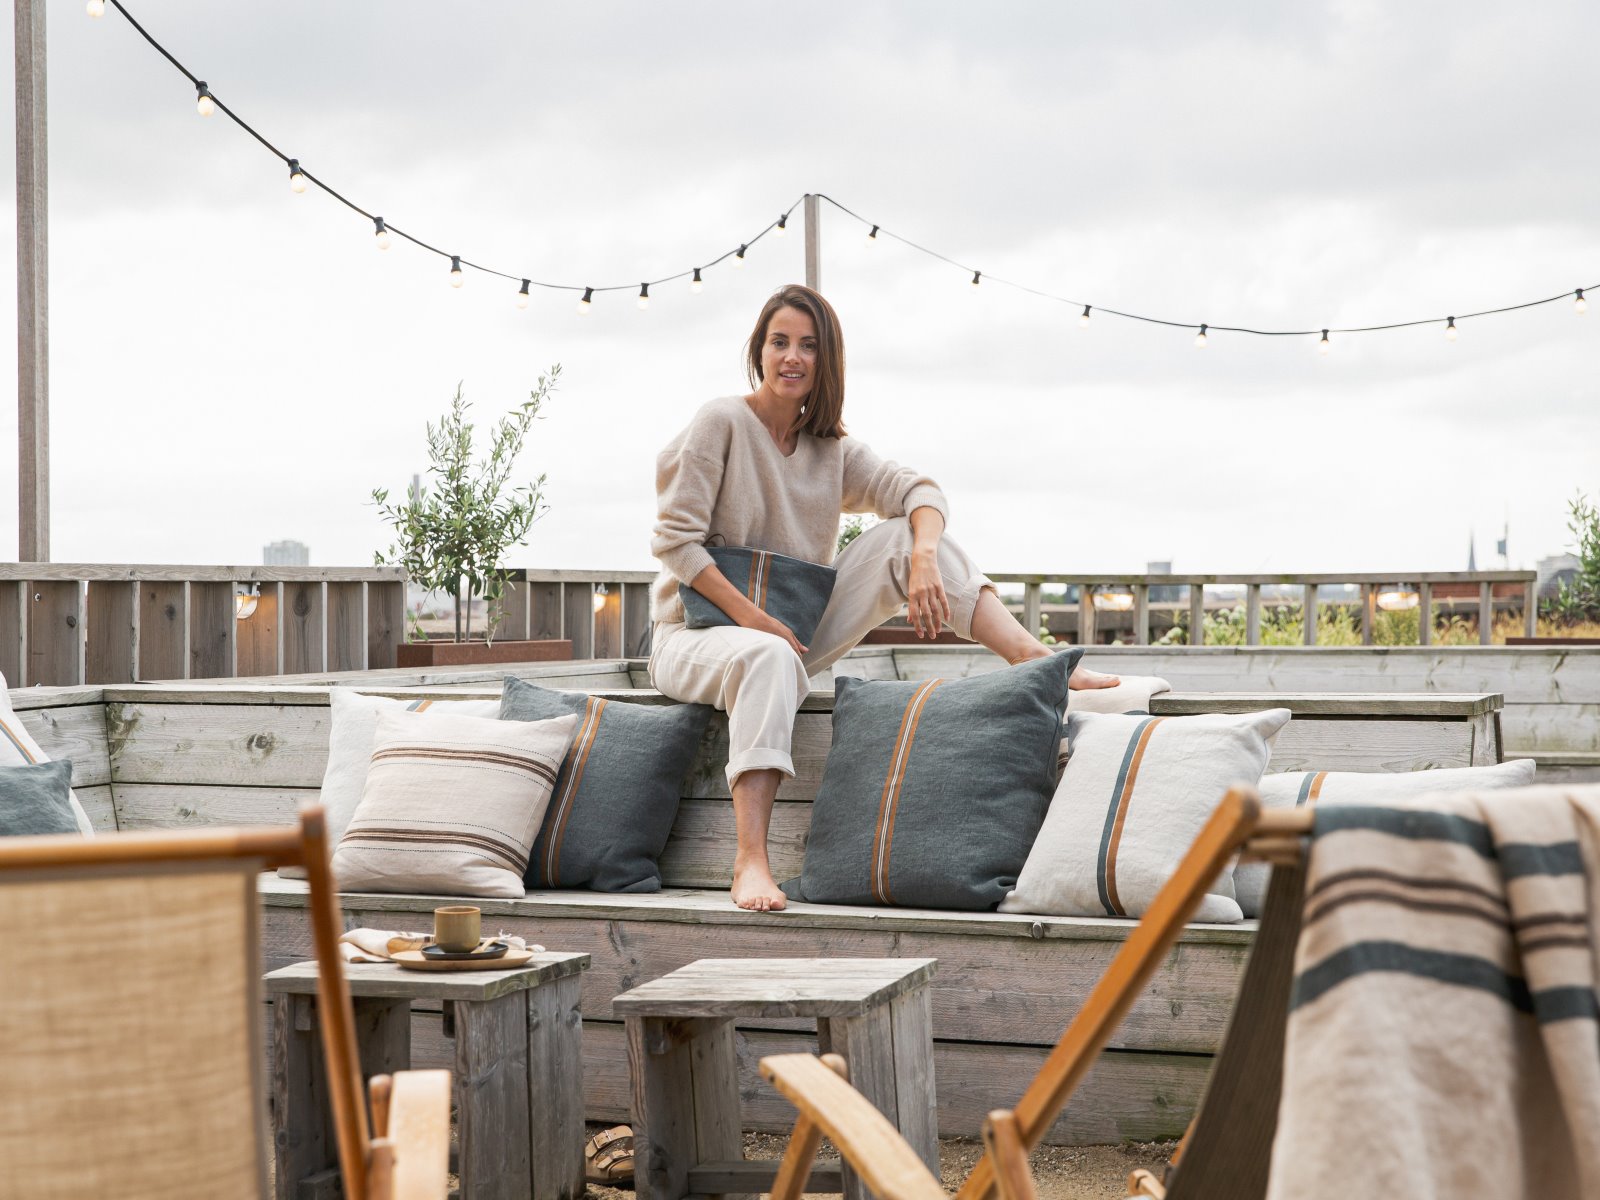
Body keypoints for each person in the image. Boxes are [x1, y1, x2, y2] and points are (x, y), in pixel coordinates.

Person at [648, 284, 1117, 911]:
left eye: (808, 346)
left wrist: (921, 559)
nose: (792, 357)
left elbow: (919, 488)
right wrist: (756, 619)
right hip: (696, 637)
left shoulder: (830, 448)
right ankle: (750, 861)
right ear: (758, 351)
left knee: (905, 534)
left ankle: (1036, 657)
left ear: (827, 360)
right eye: (779, 342)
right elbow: (677, 544)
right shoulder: (721, 422)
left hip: (790, 631)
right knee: (766, 655)